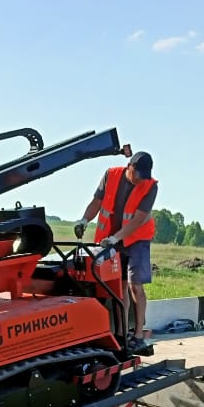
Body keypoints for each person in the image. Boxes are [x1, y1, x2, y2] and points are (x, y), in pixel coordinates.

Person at [75, 151, 157, 353]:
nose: (140, 180)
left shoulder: (151, 186)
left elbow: (137, 220)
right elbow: (96, 202)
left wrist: (115, 238)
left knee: (135, 286)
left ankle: (138, 335)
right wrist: (84, 220)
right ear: (130, 166)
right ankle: (121, 335)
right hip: (111, 240)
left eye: (143, 176)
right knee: (118, 288)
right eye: (137, 174)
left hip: (137, 239)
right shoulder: (111, 175)